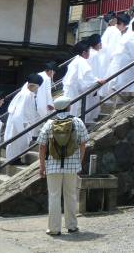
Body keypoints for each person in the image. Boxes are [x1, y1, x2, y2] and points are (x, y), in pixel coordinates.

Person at [37, 96, 89, 236]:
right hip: (72, 166)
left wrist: (42, 166)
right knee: (70, 195)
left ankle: (54, 229)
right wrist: (79, 162)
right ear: (69, 107)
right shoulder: (77, 122)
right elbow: (83, 144)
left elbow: (42, 146)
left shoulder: (49, 124)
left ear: (56, 108)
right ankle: (72, 226)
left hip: (53, 166)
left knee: (54, 196)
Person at [3, 73, 43, 165]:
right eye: (37, 87)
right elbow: (19, 113)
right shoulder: (26, 95)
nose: (37, 89)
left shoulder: (26, 93)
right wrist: (21, 128)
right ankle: (14, 160)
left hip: (20, 122)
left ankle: (15, 159)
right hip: (20, 123)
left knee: (18, 143)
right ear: (34, 86)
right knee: (17, 143)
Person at [62, 43, 106, 122]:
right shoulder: (81, 61)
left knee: (71, 110)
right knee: (75, 110)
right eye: (88, 51)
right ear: (84, 53)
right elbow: (87, 76)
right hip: (73, 90)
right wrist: (97, 81)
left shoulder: (76, 60)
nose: (89, 53)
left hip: (71, 89)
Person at [35, 62, 57, 130]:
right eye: (54, 72)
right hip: (41, 104)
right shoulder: (47, 78)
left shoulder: (39, 74)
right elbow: (48, 94)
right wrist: (51, 107)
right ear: (51, 71)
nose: (54, 74)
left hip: (35, 103)